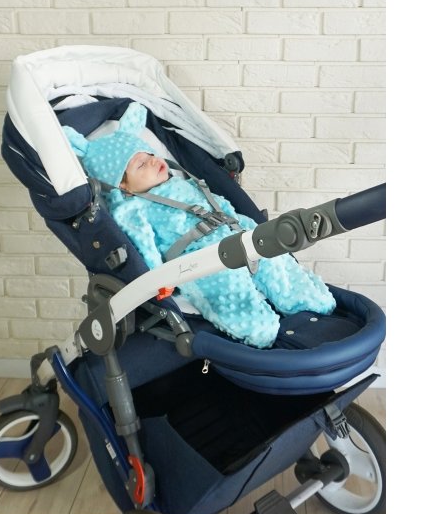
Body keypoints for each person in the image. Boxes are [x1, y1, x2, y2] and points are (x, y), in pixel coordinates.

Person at [63, 102, 335, 348]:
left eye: (150, 154)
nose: (154, 160)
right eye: (142, 164)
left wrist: (242, 222)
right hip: (200, 260)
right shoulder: (131, 209)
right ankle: (259, 329)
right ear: (122, 185)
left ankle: (308, 302)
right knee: (228, 290)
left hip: (238, 234)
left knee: (276, 262)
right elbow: (142, 245)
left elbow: (218, 203)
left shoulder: (184, 181)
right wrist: (159, 280)